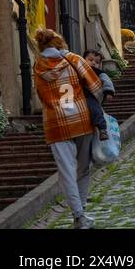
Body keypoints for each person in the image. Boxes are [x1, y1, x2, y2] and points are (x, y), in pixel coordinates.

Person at [33, 27, 103, 229]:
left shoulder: (38, 67)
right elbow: (96, 86)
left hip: (56, 125)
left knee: (66, 173)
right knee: (82, 170)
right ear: (60, 43)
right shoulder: (74, 59)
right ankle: (81, 215)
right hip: (81, 121)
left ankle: (79, 216)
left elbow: (40, 95)